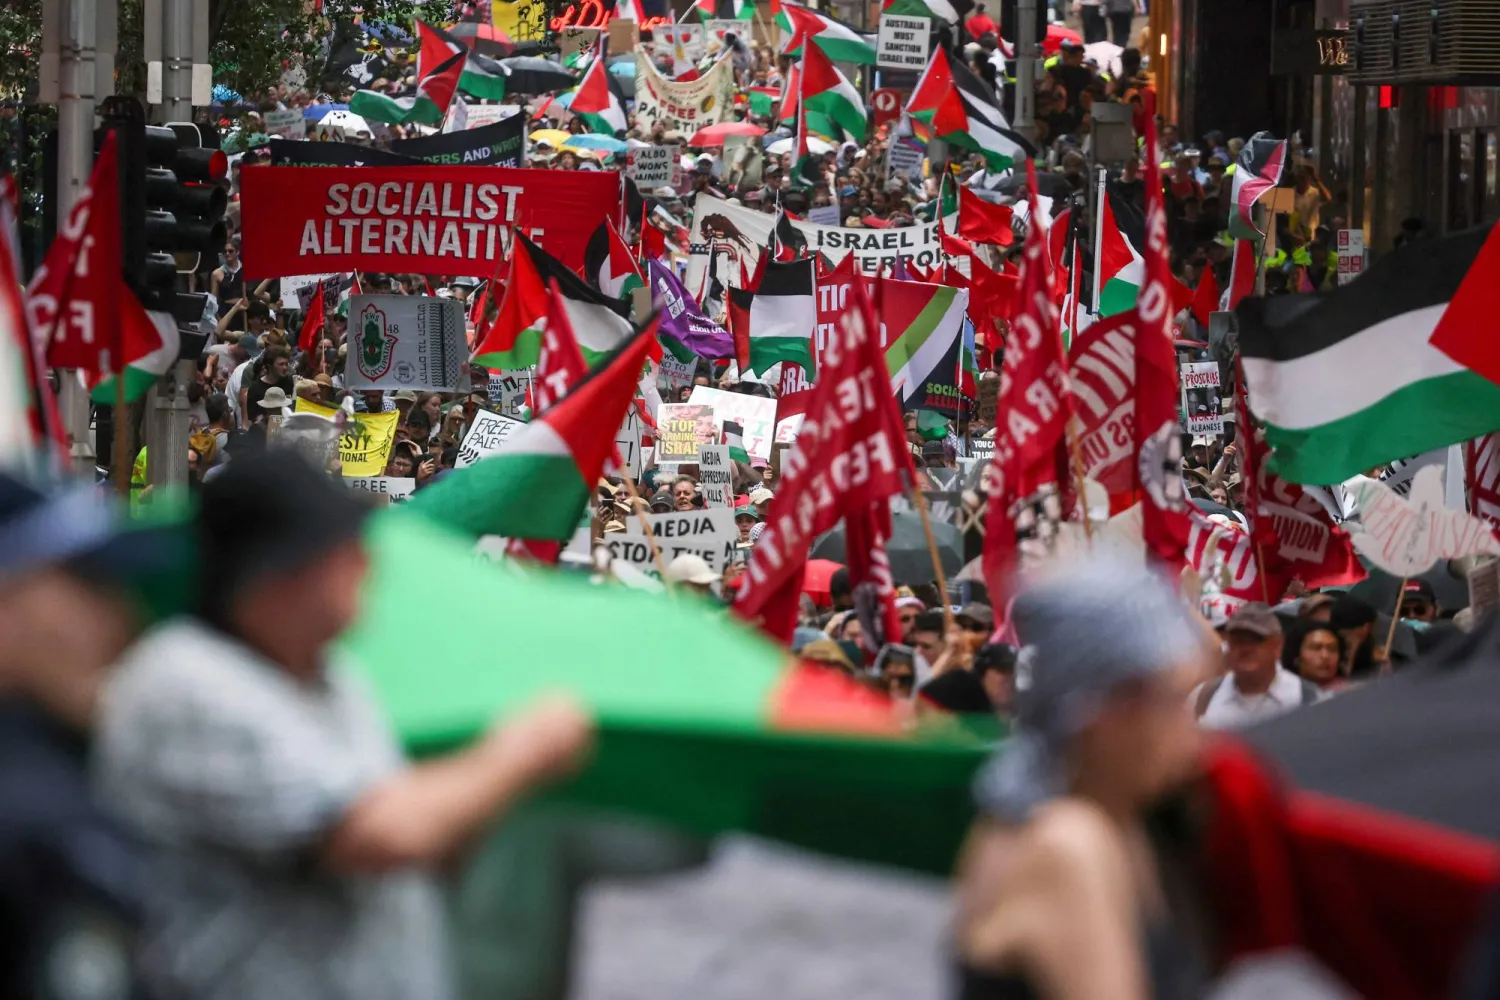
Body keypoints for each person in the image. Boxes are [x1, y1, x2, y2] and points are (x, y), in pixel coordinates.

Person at [93, 451, 594, 1000]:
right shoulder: (187, 684)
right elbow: (375, 834)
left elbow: (413, 829)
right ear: (276, 573)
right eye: (343, 551)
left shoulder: (330, 673)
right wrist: (516, 751)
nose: (366, 565)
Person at [952, 559, 1210, 1000]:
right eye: (1174, 703)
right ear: (1103, 712)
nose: (1192, 737)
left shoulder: (1115, 815)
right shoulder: (1067, 845)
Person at [1190, 602, 1322, 728]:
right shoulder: (1203, 697)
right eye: (1238, 640)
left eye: (1256, 640)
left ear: (1277, 645)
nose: (1246, 649)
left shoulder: (1306, 697)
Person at [1283, 620, 1346, 693]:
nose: (1325, 656)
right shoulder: (1282, 692)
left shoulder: (1352, 694)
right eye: (1316, 648)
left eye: (1332, 649)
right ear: (1296, 656)